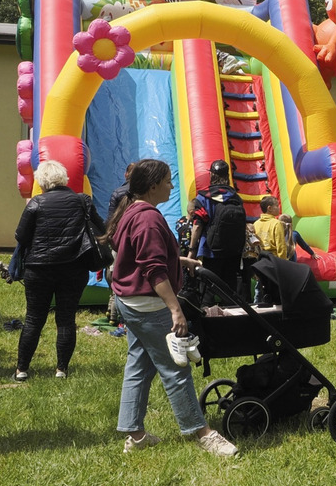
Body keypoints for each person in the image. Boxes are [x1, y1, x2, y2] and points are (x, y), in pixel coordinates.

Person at [102, 159, 238, 457]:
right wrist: (175, 309)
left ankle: (134, 435)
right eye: (167, 182)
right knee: (176, 369)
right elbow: (152, 269)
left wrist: (180, 260)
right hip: (149, 307)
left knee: (139, 364)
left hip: (130, 302)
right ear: (152, 186)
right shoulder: (148, 218)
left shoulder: (132, 210)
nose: (172, 187)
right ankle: (202, 433)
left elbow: (140, 255)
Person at [13, 159, 104, 381]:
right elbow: (101, 227)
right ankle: (61, 369)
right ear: (64, 178)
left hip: (39, 268)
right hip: (74, 268)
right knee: (66, 319)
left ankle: (22, 369)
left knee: (34, 318)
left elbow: (20, 236)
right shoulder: (83, 201)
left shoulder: (36, 203)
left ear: (42, 182)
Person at [188, 159, 246, 296]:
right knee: (230, 290)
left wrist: (192, 250)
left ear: (212, 175)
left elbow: (197, 225)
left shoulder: (204, 197)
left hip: (211, 250)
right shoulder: (235, 197)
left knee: (208, 289)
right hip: (233, 250)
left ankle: (208, 316)